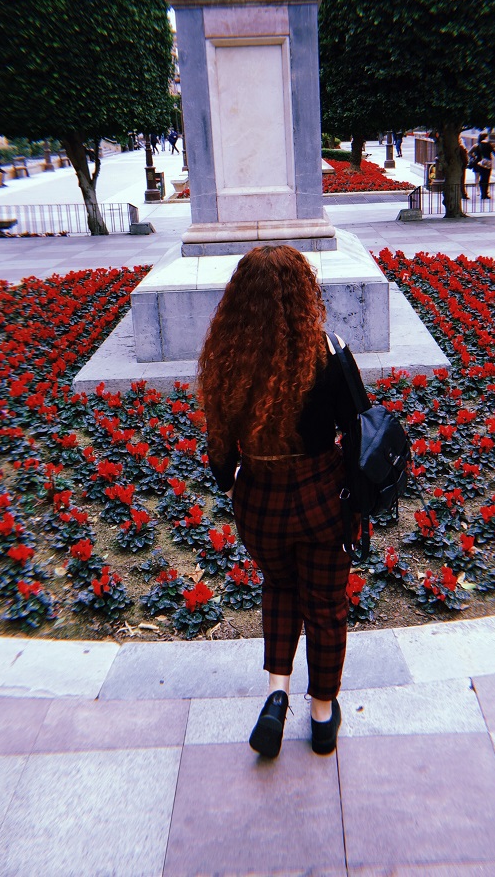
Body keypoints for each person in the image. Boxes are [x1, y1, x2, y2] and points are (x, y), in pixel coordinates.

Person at [197, 245, 364, 760]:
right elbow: (360, 429)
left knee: (280, 587)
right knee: (326, 606)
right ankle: (322, 716)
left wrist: (233, 486)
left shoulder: (229, 358)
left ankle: (277, 694)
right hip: (322, 496)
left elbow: (219, 444)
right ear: (302, 294)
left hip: (260, 500)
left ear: (240, 298)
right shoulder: (329, 352)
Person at [468, 132, 495, 200]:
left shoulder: (477, 145)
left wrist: (474, 157)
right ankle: (485, 193)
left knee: (481, 178)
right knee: (486, 178)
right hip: (488, 164)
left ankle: (482, 193)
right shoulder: (488, 145)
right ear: (485, 138)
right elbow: (494, 152)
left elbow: (469, 153)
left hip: (479, 163)